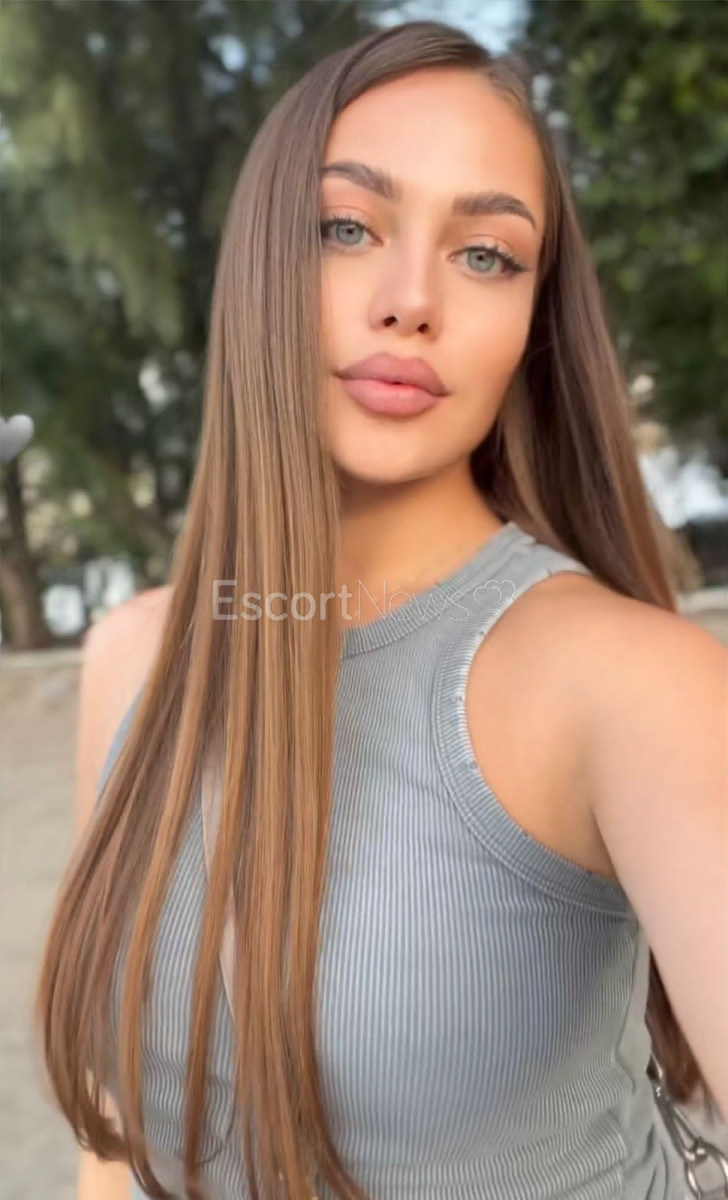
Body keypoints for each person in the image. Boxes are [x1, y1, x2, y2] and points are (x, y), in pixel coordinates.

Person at [35, 19, 727, 1200]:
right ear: (259, 265)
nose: (411, 302)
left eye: (486, 255)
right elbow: (114, 1140)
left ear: (531, 325)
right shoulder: (134, 656)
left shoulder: (625, 684)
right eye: (346, 228)